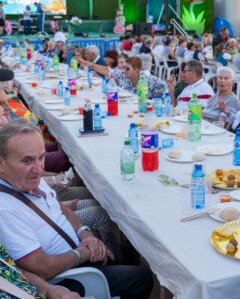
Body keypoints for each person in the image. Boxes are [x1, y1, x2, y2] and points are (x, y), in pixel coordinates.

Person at [0, 120, 154, 297]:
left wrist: (85, 234)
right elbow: (42, 268)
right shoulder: (5, 210)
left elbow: (59, 208)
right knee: (142, 278)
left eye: (41, 157)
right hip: (67, 276)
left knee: (131, 253)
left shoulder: (25, 178)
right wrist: (82, 253)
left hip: (77, 250)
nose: (38, 168)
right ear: (1, 164)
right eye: (27, 161)